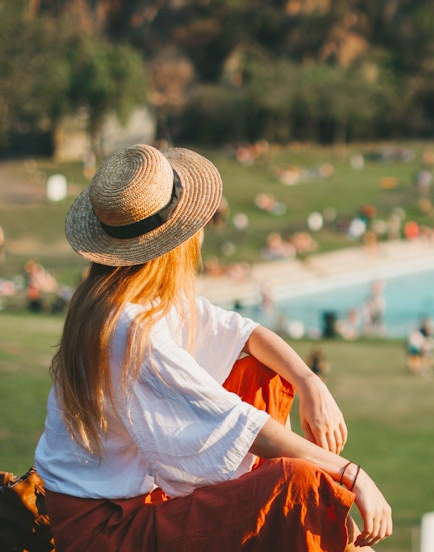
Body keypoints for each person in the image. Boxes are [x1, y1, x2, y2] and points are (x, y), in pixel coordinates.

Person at [33, 145, 392, 552]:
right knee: (296, 483)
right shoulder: (129, 329)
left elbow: (245, 333)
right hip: (106, 530)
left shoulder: (125, 296)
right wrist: (351, 474)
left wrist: (309, 381)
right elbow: (239, 425)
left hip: (117, 502)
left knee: (264, 372)